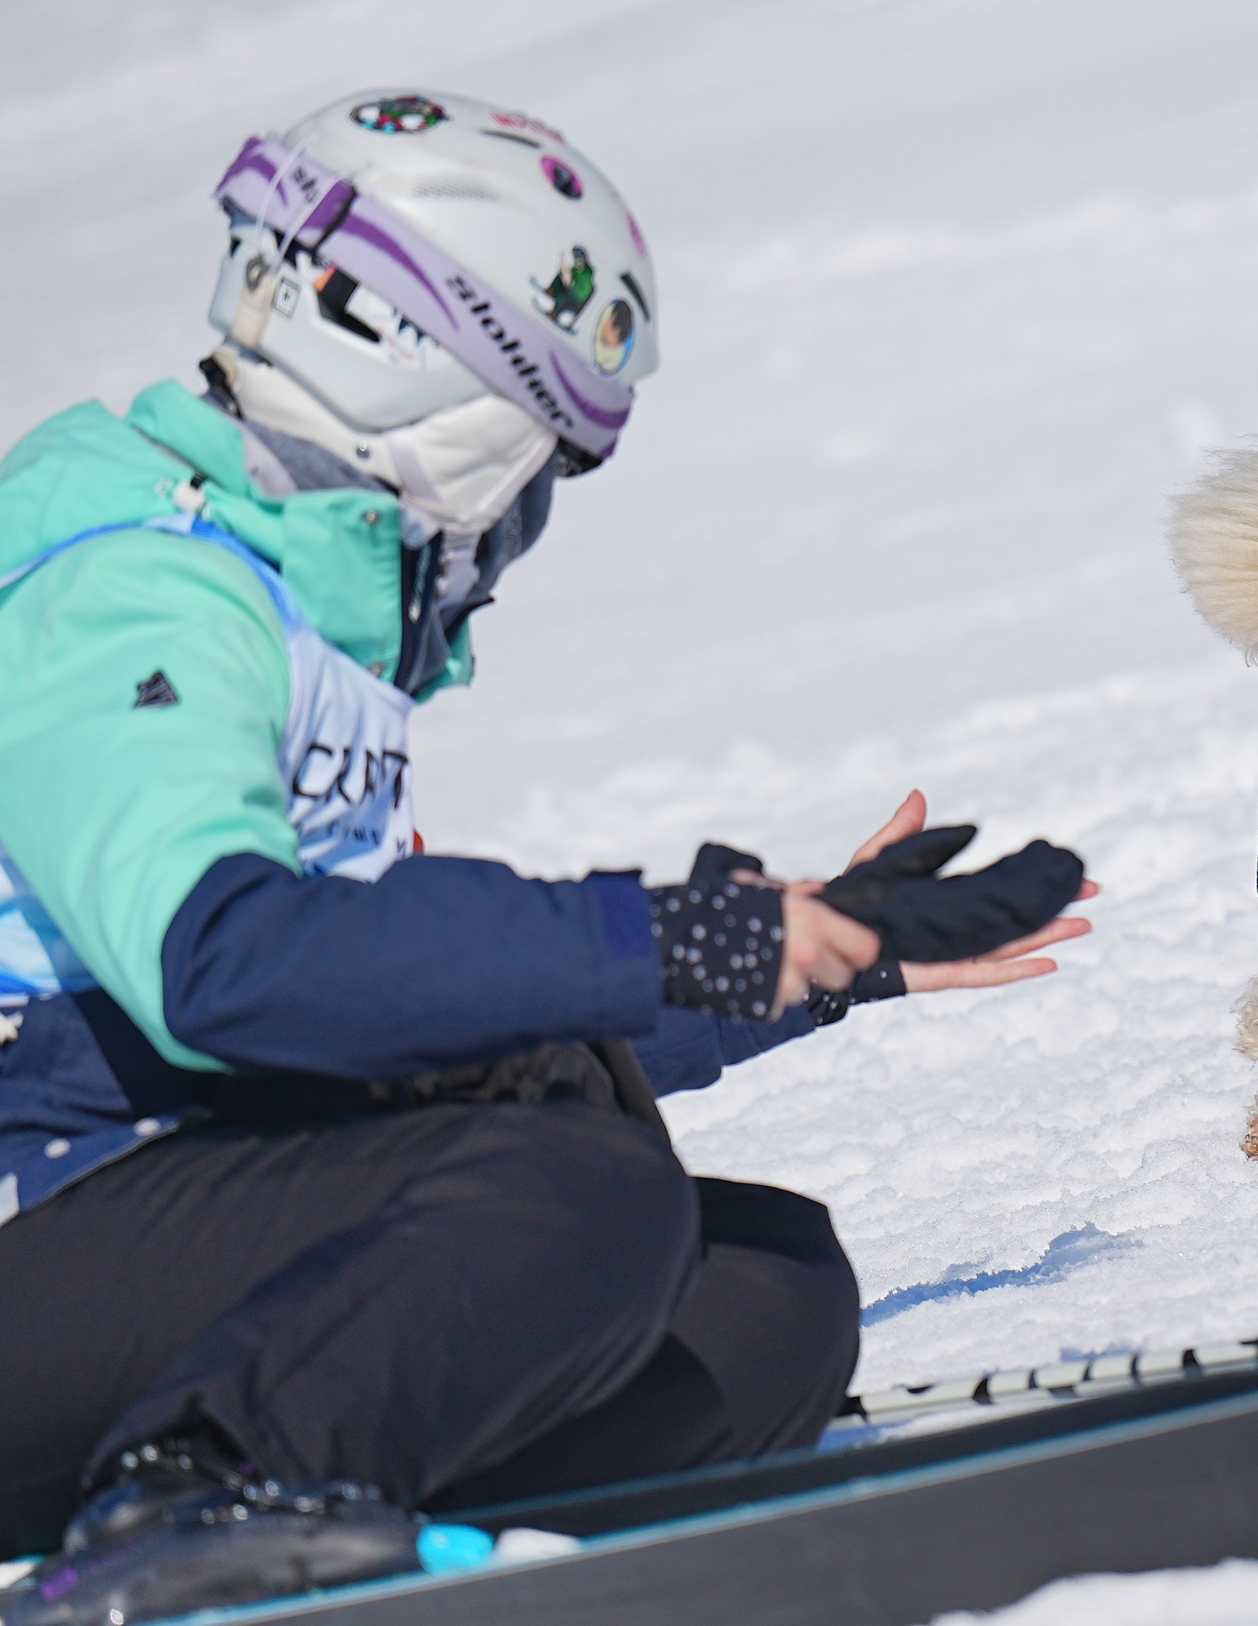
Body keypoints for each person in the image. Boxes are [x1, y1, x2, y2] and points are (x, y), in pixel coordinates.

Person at [0, 90, 1092, 1623]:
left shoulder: (278, 611)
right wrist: (674, 935)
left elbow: (388, 1001)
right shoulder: (134, 595)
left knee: (758, 1288)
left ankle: (404, 1543)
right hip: (43, 1210)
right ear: (442, 405)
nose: (516, 529)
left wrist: (817, 948)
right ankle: (192, 1513)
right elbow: (225, 967)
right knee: (573, 1187)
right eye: (539, 469)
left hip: (129, 1229)